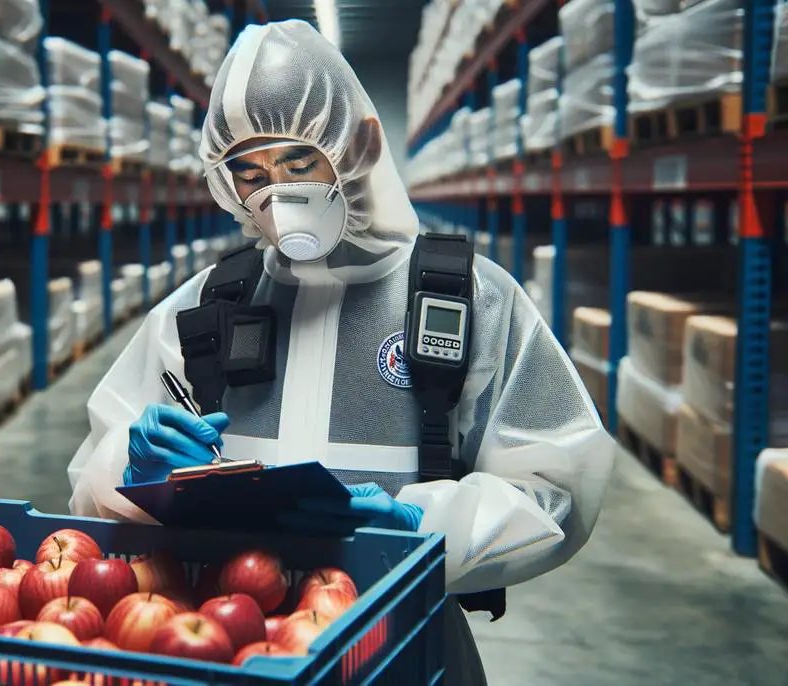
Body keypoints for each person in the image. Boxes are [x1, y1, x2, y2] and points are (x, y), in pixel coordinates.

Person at [68, 19, 615, 684]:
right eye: (251, 172)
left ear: (356, 144)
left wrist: (425, 523)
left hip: (400, 641)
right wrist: (134, 463)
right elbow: (92, 479)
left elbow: (556, 484)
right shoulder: (206, 306)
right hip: (233, 644)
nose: (276, 194)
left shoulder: (466, 299)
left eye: (300, 163)